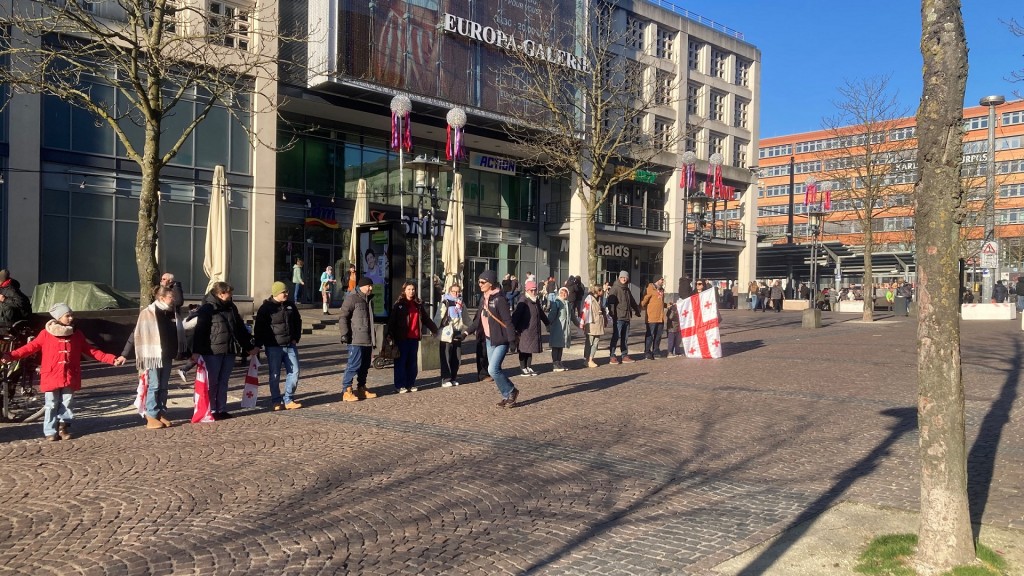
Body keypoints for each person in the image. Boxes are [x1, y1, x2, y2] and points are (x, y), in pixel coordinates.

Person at [1, 303, 125, 441]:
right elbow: (29, 348)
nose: (71, 318)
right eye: (68, 315)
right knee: (51, 403)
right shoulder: (45, 334)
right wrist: (10, 356)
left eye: (72, 315)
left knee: (67, 403)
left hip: (69, 374)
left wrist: (112, 359)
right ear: (59, 317)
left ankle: (63, 428)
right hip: (51, 374)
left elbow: (92, 351)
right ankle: (50, 431)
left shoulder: (77, 334)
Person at [192, 282, 256, 420]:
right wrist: (196, 351)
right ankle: (211, 409)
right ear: (221, 294)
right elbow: (200, 331)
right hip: (213, 351)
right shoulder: (207, 308)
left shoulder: (231, 307)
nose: (231, 295)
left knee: (224, 381)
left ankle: (221, 409)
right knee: (213, 381)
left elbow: (239, 329)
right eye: (229, 293)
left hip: (229, 349)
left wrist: (249, 347)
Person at [120, 285, 182, 429]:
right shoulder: (148, 313)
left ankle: (161, 411)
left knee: (164, 386)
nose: (173, 299)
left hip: (167, 354)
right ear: (162, 298)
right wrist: (124, 354)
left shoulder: (172, 313)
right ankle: (151, 414)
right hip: (153, 355)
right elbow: (136, 334)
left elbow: (179, 331)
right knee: (154, 385)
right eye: (171, 297)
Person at [462, 270, 520, 408]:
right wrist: (464, 333)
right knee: (492, 370)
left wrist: (512, 341)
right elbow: (477, 322)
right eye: (479, 282)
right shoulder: (483, 298)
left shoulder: (500, 299)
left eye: (483, 282)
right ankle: (507, 395)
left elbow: (508, 320)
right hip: (489, 339)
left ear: (491, 283)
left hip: (501, 339)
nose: (479, 284)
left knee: (493, 369)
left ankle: (511, 391)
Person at [254, 281, 303, 411]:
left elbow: (297, 321)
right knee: (274, 374)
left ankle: (289, 398)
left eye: (287, 291)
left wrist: (295, 338)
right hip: (273, 346)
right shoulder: (266, 308)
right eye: (283, 292)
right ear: (276, 293)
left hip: (290, 345)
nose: (286, 294)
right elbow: (259, 328)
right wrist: (258, 344)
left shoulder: (290, 305)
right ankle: (276, 400)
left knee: (295, 372)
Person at [387, 281, 438, 393]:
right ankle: (399, 385)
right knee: (401, 362)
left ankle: (410, 384)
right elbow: (392, 321)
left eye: (413, 289)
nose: (411, 291)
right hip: (402, 338)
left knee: (412, 363)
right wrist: (389, 334)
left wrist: (434, 329)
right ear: (404, 291)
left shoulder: (418, 305)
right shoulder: (399, 304)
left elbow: (425, 319)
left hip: (414, 337)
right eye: (409, 289)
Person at [338, 277, 379, 402]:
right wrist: (344, 333)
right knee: (354, 365)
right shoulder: (352, 298)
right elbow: (343, 317)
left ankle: (361, 388)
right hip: (355, 339)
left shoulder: (369, 300)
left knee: (365, 366)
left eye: (371, 286)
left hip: (368, 339)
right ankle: (347, 390)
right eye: (369, 286)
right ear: (362, 286)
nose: (371, 288)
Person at [512, 279, 548, 375]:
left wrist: (547, 323)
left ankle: (528, 366)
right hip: (524, 330)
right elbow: (516, 315)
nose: (533, 292)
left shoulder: (536, 301)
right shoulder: (523, 301)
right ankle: (523, 367)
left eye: (535, 290)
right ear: (527, 290)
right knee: (523, 349)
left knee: (530, 349)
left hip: (533, 330)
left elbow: (541, 313)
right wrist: (513, 329)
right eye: (531, 290)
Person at [605, 270, 641, 364]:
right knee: (616, 337)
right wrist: (613, 314)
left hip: (627, 316)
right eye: (622, 277)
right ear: (619, 278)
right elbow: (611, 303)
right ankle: (612, 356)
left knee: (625, 338)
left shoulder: (627, 289)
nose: (624, 279)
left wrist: (637, 310)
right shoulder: (615, 288)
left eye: (625, 277)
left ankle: (624, 355)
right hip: (618, 317)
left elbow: (632, 301)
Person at [438, 283, 465, 387]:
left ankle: (453, 377)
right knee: (446, 355)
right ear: (450, 292)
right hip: (447, 332)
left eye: (458, 291)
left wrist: (472, 328)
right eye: (454, 291)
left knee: (456, 356)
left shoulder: (461, 302)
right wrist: (435, 330)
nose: (456, 293)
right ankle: (445, 379)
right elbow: (438, 316)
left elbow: (465, 316)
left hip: (457, 331)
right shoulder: (445, 302)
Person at [546, 286, 573, 372]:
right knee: (555, 346)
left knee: (560, 346)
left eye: (565, 292)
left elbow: (572, 316)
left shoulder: (567, 303)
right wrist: (548, 324)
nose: (563, 294)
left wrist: (579, 324)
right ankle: (555, 363)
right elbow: (552, 315)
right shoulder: (557, 303)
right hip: (557, 327)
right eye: (562, 292)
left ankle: (559, 362)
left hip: (564, 328)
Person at [641, 276, 666, 360]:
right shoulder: (650, 288)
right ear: (657, 280)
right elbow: (644, 300)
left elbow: (661, 302)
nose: (663, 281)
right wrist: (640, 307)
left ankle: (656, 351)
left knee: (658, 335)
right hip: (651, 317)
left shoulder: (662, 290)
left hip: (660, 317)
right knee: (650, 335)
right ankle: (647, 352)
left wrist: (667, 305)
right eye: (661, 279)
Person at [581, 284, 606, 368]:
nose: (602, 291)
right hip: (591, 323)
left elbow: (602, 309)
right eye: (601, 290)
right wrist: (583, 322)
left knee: (596, 342)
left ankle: (591, 359)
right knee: (589, 342)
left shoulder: (600, 299)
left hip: (598, 323)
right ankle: (587, 359)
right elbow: (585, 311)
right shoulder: (589, 299)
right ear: (598, 291)